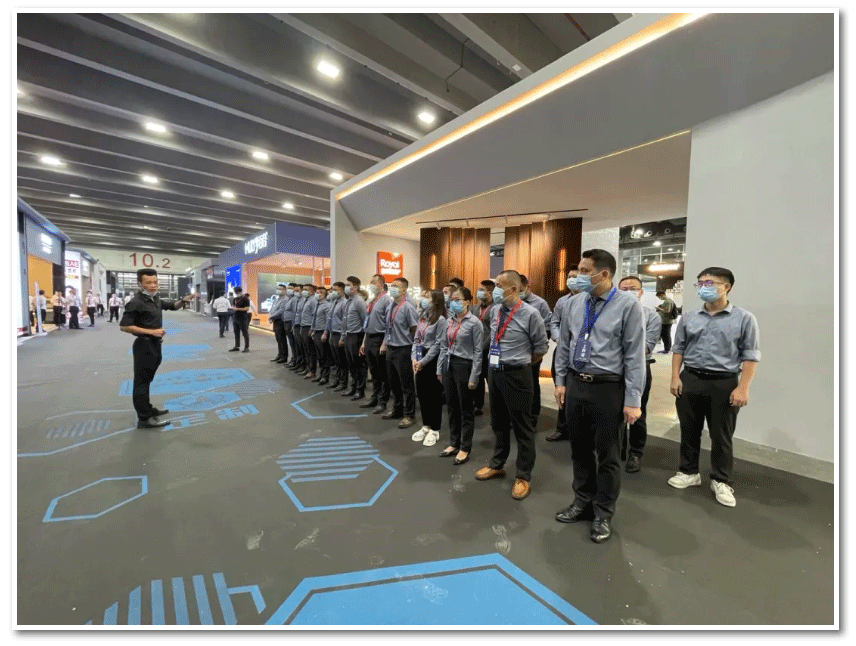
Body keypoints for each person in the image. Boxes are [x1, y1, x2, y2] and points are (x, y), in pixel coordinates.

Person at [553, 249, 645, 544]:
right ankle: (582, 502)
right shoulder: (574, 303)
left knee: (608, 455)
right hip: (576, 383)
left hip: (608, 388)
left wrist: (633, 400)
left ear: (603, 274)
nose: (578, 276)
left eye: (584, 271)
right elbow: (565, 344)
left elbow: (634, 355)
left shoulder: (628, 306)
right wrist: (561, 381)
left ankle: (603, 512)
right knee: (579, 450)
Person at [668, 267, 760, 508]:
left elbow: (750, 356)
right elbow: (679, 349)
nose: (703, 287)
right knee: (689, 429)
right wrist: (675, 377)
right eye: (700, 283)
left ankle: (721, 479)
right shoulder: (689, 317)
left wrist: (743, 388)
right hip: (691, 378)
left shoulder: (744, 318)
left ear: (726, 287)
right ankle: (688, 472)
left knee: (721, 434)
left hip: (724, 382)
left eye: (709, 283)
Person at [476, 270, 548, 501]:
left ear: (514, 289)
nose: (495, 289)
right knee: (498, 422)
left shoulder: (531, 314)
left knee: (522, 427)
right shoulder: (495, 310)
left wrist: (519, 364)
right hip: (494, 371)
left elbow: (540, 348)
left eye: (499, 285)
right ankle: (497, 464)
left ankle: (523, 475)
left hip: (517, 374)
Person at [119, 268, 197, 428]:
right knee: (141, 382)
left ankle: (147, 409)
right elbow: (124, 326)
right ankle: (144, 418)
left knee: (148, 380)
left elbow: (173, 306)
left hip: (155, 345)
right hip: (144, 345)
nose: (153, 285)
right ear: (140, 283)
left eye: (155, 282)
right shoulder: (136, 302)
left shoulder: (155, 299)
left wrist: (184, 300)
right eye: (148, 282)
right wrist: (152, 332)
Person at [616, 276, 662, 474]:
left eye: (632, 288)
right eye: (624, 289)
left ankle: (636, 452)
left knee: (637, 411)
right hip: (614, 371)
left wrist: (615, 350)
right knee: (614, 412)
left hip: (639, 369)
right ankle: (618, 449)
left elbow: (647, 346)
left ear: (641, 292)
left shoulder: (651, 317)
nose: (628, 292)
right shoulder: (611, 313)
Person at [437, 286, 483, 465]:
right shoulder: (449, 321)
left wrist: (474, 376)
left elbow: (478, 352)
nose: (453, 303)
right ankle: (453, 443)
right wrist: (440, 369)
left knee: (466, 409)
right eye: (452, 300)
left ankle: (465, 447)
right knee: (452, 406)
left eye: (457, 300)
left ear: (467, 302)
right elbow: (443, 346)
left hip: (465, 366)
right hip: (449, 364)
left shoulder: (474, 323)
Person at [546, 265, 580, 442]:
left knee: (578, 391)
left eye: (576, 276)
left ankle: (578, 429)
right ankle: (562, 427)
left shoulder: (590, 300)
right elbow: (554, 322)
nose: (571, 280)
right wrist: (559, 339)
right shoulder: (562, 301)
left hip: (582, 351)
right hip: (562, 350)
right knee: (561, 389)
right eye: (570, 277)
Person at [380, 277, 419, 428]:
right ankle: (397, 409)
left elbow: (415, 330)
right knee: (393, 382)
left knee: (406, 385)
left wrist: (414, 351)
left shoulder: (408, 307)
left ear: (403, 290)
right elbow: (388, 327)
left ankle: (409, 415)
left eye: (396, 286)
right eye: (392, 286)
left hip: (403, 349)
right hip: (391, 348)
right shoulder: (391, 306)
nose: (392, 288)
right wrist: (385, 343)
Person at [412, 290, 448, 446]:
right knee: (422, 394)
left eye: (427, 297)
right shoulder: (423, 316)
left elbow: (438, 344)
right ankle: (426, 425)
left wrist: (423, 361)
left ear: (436, 301)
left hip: (432, 360)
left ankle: (435, 429)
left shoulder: (441, 320)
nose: (423, 299)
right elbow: (416, 339)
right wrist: (414, 358)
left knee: (433, 396)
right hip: (419, 357)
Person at [519, 275, 553, 426]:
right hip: (516, 352)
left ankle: (532, 416)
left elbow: (548, 327)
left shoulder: (540, 304)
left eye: (521, 289)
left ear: (528, 286)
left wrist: (537, 351)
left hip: (533, 353)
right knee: (518, 385)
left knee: (531, 383)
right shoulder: (513, 304)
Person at [360, 275, 392, 410]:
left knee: (382, 372)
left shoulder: (386, 300)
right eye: (370, 282)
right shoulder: (373, 300)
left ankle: (382, 402)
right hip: (369, 338)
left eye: (374, 282)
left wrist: (384, 342)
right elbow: (367, 322)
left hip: (379, 338)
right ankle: (374, 398)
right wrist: (363, 342)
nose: (371, 284)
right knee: (373, 371)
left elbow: (389, 323)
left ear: (381, 284)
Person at [471, 279, 498, 417]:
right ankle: (478, 404)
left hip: (489, 350)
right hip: (476, 349)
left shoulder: (495, 308)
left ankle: (496, 408)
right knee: (478, 377)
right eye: (478, 290)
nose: (478, 292)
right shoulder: (474, 308)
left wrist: (482, 347)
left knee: (491, 380)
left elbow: (494, 331)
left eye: (481, 290)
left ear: (490, 292)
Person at [341, 276, 368, 400]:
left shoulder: (359, 301)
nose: (346, 287)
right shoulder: (349, 301)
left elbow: (365, 320)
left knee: (359, 364)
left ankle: (360, 390)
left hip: (356, 336)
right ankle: (353, 387)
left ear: (355, 287)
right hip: (348, 335)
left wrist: (363, 340)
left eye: (348, 285)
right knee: (351, 364)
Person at [324, 282, 348, 391]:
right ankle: (336, 380)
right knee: (335, 360)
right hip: (332, 333)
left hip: (339, 334)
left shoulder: (344, 303)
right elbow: (329, 318)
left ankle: (343, 382)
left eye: (336, 290)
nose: (333, 292)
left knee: (341, 360)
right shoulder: (333, 302)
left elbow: (345, 322)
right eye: (332, 289)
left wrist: (342, 337)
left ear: (342, 291)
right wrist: (326, 332)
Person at [311, 286, 332, 384]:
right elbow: (314, 318)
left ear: (324, 295)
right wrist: (312, 329)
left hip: (322, 332)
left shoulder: (327, 305)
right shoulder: (317, 304)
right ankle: (321, 374)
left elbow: (328, 320)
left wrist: (325, 333)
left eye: (320, 292)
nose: (317, 294)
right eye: (317, 292)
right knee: (319, 355)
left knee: (324, 355)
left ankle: (325, 376)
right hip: (316, 331)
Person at [298, 285, 319, 379]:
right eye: (303, 289)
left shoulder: (313, 300)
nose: (304, 291)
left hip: (308, 328)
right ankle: (307, 368)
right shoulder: (306, 300)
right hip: (303, 326)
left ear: (312, 291)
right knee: (305, 350)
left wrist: (312, 329)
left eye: (306, 290)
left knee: (311, 351)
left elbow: (315, 316)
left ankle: (312, 370)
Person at [267, 283, 289, 364]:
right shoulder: (277, 299)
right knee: (278, 339)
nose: (278, 290)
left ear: (285, 290)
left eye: (280, 289)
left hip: (281, 321)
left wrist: (271, 316)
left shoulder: (285, 299)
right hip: (275, 320)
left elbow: (281, 311)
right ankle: (280, 355)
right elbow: (272, 309)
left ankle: (284, 356)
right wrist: (270, 316)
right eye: (277, 289)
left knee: (282, 339)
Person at [289, 285, 308, 372]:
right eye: (295, 290)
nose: (296, 292)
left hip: (301, 326)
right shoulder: (296, 300)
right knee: (298, 347)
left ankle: (304, 366)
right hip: (296, 325)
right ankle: (299, 363)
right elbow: (294, 313)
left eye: (298, 290)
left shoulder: (304, 300)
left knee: (303, 348)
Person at [229, 286, 251, 352]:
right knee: (236, 333)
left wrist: (237, 309)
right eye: (236, 292)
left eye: (238, 292)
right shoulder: (235, 299)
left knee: (245, 333)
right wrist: (233, 307)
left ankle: (246, 347)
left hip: (243, 318)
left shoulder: (245, 299)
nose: (237, 294)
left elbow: (247, 308)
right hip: (235, 317)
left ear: (241, 291)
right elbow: (234, 306)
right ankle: (237, 346)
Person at [282, 284, 299, 367]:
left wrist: (293, 324)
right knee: (291, 343)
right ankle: (293, 359)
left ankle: (295, 360)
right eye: (288, 288)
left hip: (291, 322)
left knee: (294, 343)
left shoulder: (294, 299)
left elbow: (295, 312)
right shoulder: (289, 299)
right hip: (287, 322)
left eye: (291, 288)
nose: (289, 290)